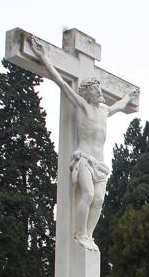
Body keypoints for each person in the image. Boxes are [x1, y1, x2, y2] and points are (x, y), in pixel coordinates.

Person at [31, 40, 137, 251]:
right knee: (87, 194)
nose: (99, 92)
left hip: (100, 164)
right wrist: (44, 58)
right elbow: (61, 83)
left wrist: (128, 97)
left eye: (99, 89)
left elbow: (119, 106)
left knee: (98, 200)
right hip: (84, 160)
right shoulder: (82, 105)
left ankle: (88, 234)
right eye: (96, 89)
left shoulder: (104, 111)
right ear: (87, 92)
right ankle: (79, 233)